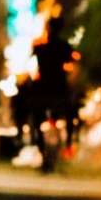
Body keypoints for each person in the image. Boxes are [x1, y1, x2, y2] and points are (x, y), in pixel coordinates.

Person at [29, 15, 80, 154]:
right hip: (60, 86)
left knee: (35, 114)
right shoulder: (64, 46)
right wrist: (71, 81)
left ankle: (39, 142)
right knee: (71, 113)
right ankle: (68, 143)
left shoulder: (39, 47)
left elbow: (31, 66)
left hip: (43, 87)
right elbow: (75, 65)